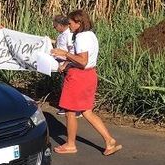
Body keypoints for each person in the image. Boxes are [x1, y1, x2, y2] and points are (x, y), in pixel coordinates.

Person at [50, 10, 122, 156]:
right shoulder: (90, 35)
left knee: (70, 111)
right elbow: (85, 60)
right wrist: (68, 63)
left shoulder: (81, 37)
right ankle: (109, 140)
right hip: (90, 75)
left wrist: (65, 54)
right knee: (87, 111)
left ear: (78, 23)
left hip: (79, 77)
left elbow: (82, 61)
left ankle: (70, 144)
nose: (68, 25)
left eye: (70, 23)